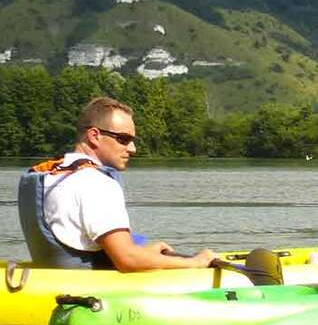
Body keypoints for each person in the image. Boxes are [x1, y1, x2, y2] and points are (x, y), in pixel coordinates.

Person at [17, 96, 218, 271]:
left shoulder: (52, 176)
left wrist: (146, 253)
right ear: (94, 135)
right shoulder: (96, 183)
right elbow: (127, 260)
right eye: (123, 139)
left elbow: (81, 241)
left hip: (50, 280)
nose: (133, 148)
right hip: (83, 292)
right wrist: (195, 263)